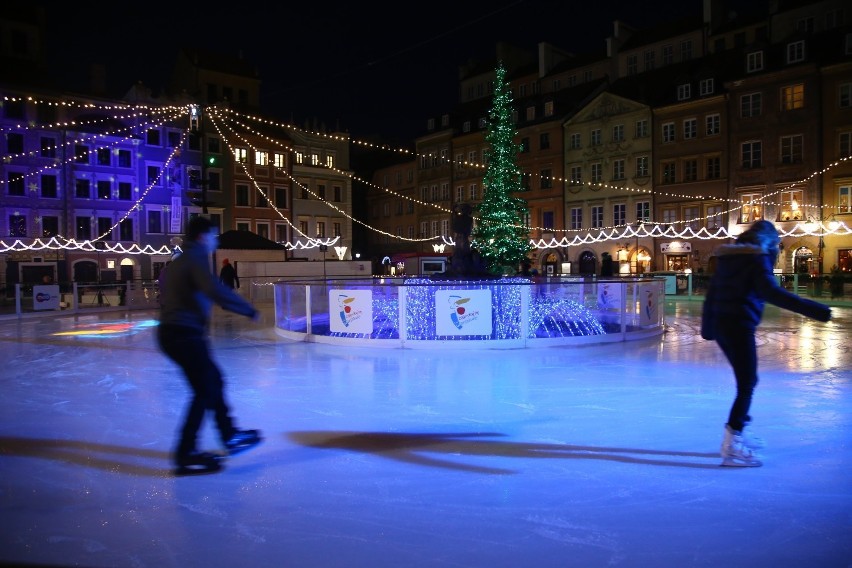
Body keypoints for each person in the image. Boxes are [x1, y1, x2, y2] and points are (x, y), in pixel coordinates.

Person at [701, 220, 831, 467]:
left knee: (747, 381)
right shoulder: (757, 259)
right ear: (768, 241)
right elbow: (771, 293)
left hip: (722, 325)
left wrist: (708, 329)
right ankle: (732, 442)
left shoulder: (728, 259)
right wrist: (816, 310)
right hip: (738, 325)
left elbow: (712, 294)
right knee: (747, 383)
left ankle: (738, 431)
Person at [157, 217, 262, 475]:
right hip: (183, 334)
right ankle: (186, 453)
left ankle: (229, 435)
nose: (216, 241)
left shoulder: (182, 260)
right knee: (205, 389)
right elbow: (214, 289)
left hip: (177, 333)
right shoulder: (195, 259)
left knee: (212, 381)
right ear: (203, 237)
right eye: (214, 236)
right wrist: (247, 309)